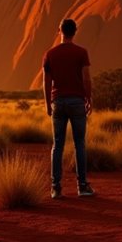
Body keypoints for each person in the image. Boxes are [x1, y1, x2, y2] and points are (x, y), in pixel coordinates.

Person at [43, 18, 95, 199]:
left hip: (58, 102)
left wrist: (47, 104)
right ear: (75, 31)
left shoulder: (50, 54)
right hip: (77, 102)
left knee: (57, 145)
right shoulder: (81, 53)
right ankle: (82, 186)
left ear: (60, 31)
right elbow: (86, 78)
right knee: (80, 143)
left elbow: (46, 81)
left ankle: (56, 188)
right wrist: (89, 98)